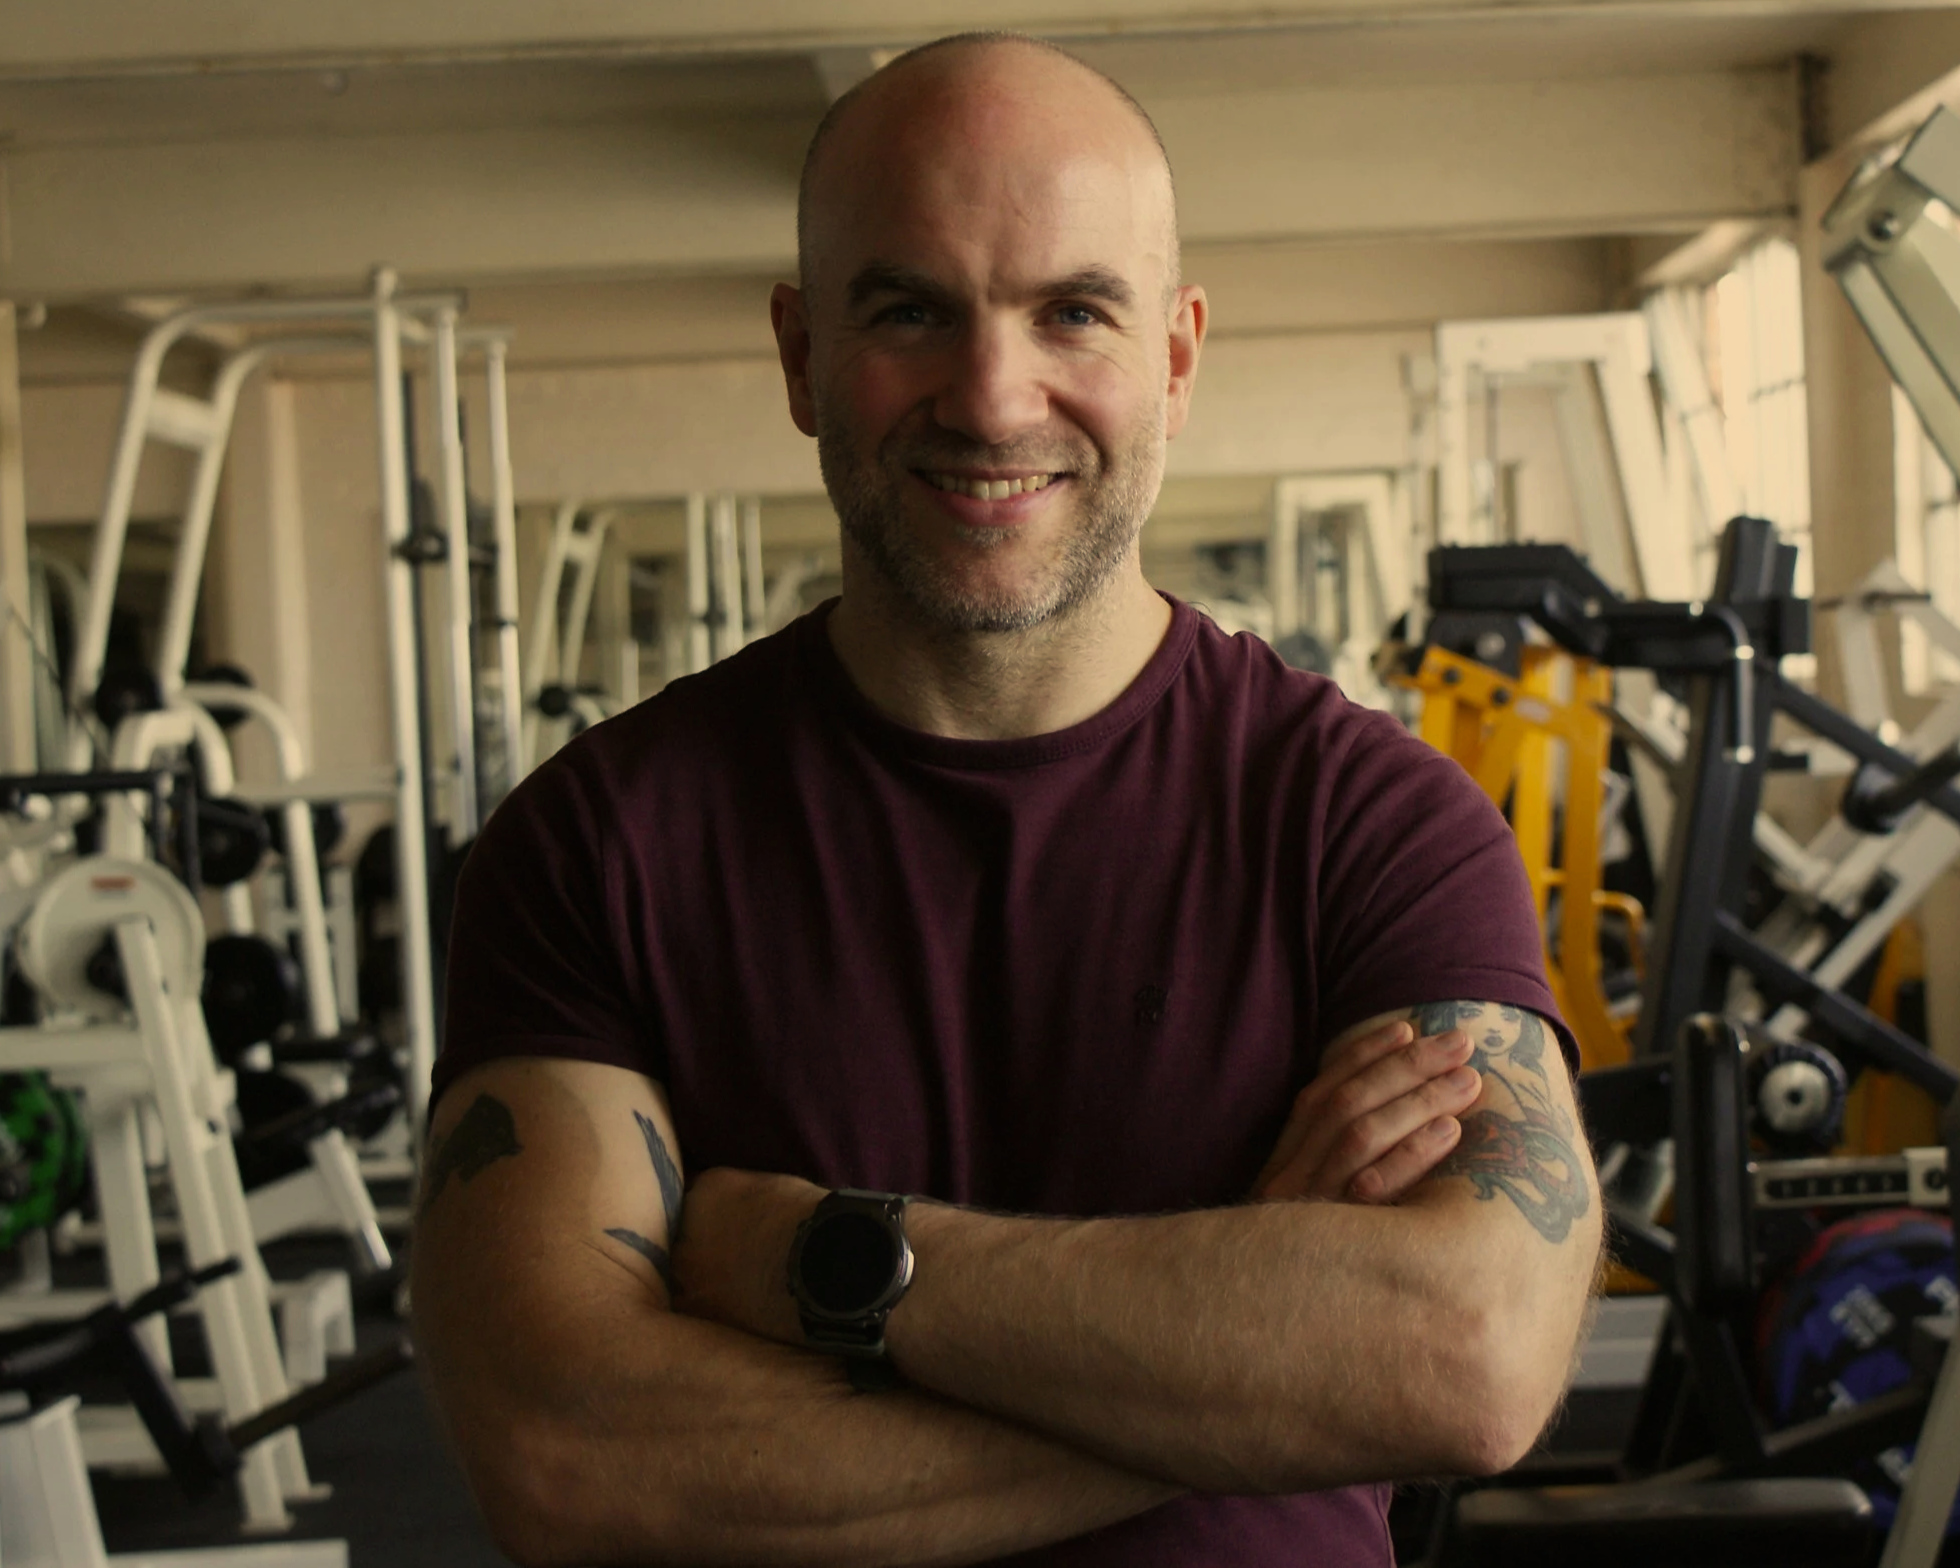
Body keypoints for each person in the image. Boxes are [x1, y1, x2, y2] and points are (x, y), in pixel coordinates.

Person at [412, 31, 1602, 1568]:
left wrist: (813, 1260)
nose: (992, 397)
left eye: (1073, 313)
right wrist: (1250, 1358)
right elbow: (571, 1462)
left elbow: (1468, 1362)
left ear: (1174, 356)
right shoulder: (591, 849)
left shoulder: (1373, 827)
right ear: (799, 353)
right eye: (911, 309)